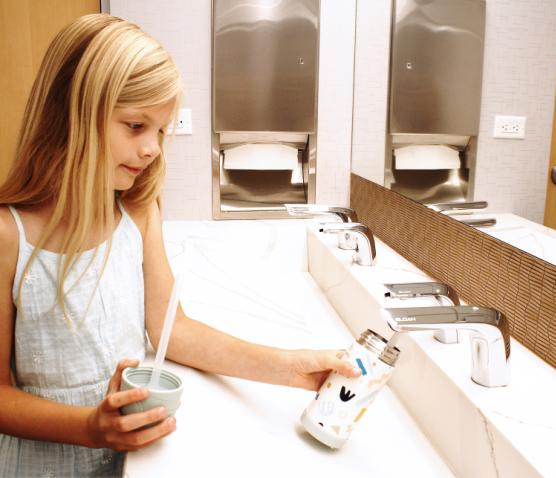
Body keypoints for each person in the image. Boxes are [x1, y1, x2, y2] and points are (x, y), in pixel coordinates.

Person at [0, 13, 360, 477]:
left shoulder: (136, 214)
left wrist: (289, 369)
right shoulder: (10, 236)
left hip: (132, 460)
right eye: (135, 126)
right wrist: (89, 427)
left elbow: (175, 330)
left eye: (161, 131)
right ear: (73, 114)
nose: (151, 148)